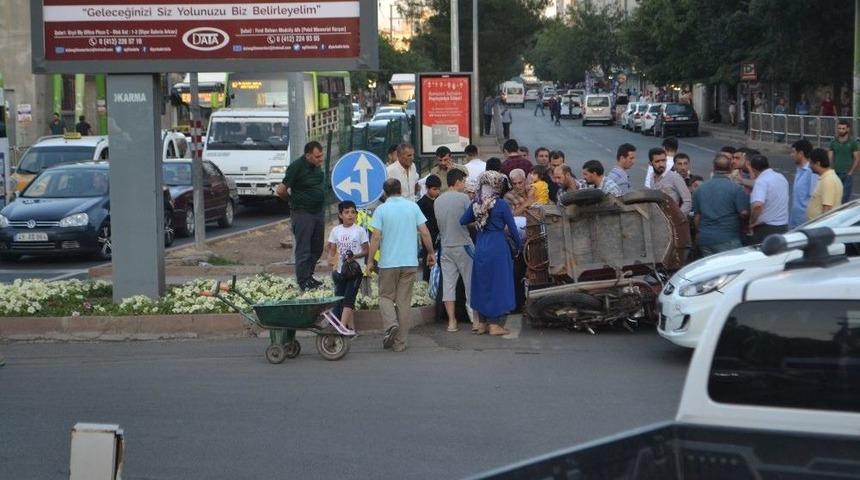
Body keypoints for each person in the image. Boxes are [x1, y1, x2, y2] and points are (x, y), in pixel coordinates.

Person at [367, 179, 436, 352]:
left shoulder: (381, 210)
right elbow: (425, 232)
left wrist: (370, 260)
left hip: (389, 262)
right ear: (401, 189)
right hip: (410, 262)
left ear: (385, 192)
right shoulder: (412, 207)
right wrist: (431, 252)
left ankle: (391, 325)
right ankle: (400, 343)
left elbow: (375, 237)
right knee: (404, 302)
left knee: (385, 297)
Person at [460, 171, 522, 336]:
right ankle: (495, 325)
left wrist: (479, 218)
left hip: (481, 246)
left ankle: (481, 324)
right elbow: (513, 230)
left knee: (482, 284)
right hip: (498, 247)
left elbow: (462, 221)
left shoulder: (476, 203)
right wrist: (520, 245)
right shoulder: (501, 204)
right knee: (498, 285)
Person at [279, 141, 326, 291]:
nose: (321, 159)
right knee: (304, 249)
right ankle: (303, 281)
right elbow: (281, 190)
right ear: (308, 155)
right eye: (317, 156)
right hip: (302, 213)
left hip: (317, 211)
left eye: (321, 155)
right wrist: (292, 200)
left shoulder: (317, 167)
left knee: (317, 247)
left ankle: (309, 276)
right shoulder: (296, 167)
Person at [434, 169, 476, 332]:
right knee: (469, 283)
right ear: (458, 181)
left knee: (449, 285)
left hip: (445, 247)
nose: (465, 185)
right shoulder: (464, 198)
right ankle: (475, 320)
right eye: (464, 182)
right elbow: (470, 220)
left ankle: (452, 322)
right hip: (463, 244)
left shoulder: (438, 200)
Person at [692, 153, 750, 256]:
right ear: (730, 169)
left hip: (705, 240)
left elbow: (697, 217)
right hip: (729, 239)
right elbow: (744, 213)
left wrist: (700, 233)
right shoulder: (736, 189)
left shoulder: (700, 189)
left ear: (713, 168)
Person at [325, 201, 369, 330]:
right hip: (340, 271)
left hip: (355, 271)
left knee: (349, 299)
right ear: (340, 215)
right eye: (346, 212)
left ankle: (341, 328)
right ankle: (351, 328)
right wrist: (331, 258)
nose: (350, 215)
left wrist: (354, 257)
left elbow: (366, 250)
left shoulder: (360, 230)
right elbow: (331, 249)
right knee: (340, 299)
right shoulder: (336, 230)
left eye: (353, 212)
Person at [748, 154, 789, 243]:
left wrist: (751, 222)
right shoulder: (781, 177)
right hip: (783, 226)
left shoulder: (761, 181)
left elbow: (757, 206)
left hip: (766, 229)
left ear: (754, 169)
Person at [649, 148, 692, 216]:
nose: (661, 164)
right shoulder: (652, 177)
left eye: (663, 160)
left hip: (672, 222)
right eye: (657, 161)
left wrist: (677, 218)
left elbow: (688, 201)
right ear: (651, 163)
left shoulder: (675, 177)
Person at [828, 119, 860, 203]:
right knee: (834, 196)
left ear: (848, 129)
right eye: (839, 128)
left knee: (845, 198)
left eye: (843, 128)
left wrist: (851, 172)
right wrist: (831, 169)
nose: (841, 130)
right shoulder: (833, 142)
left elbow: (857, 158)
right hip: (835, 173)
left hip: (847, 174)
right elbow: (830, 157)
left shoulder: (853, 143)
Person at [807, 148, 844, 220]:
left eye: (811, 163)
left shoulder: (828, 180)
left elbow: (827, 210)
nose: (809, 166)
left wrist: (820, 229)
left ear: (818, 163)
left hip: (818, 227)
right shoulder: (826, 178)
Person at [789, 140, 818, 229]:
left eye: (793, 152)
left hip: (805, 222)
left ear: (801, 153)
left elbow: (813, 196)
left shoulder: (811, 172)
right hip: (794, 219)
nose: (791, 155)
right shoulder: (799, 170)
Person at [417, 174, 441, 281]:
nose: (437, 192)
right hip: (427, 234)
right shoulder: (421, 203)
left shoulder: (439, 200)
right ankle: (426, 282)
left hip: (439, 233)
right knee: (428, 258)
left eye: (438, 189)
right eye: (434, 189)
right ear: (427, 188)